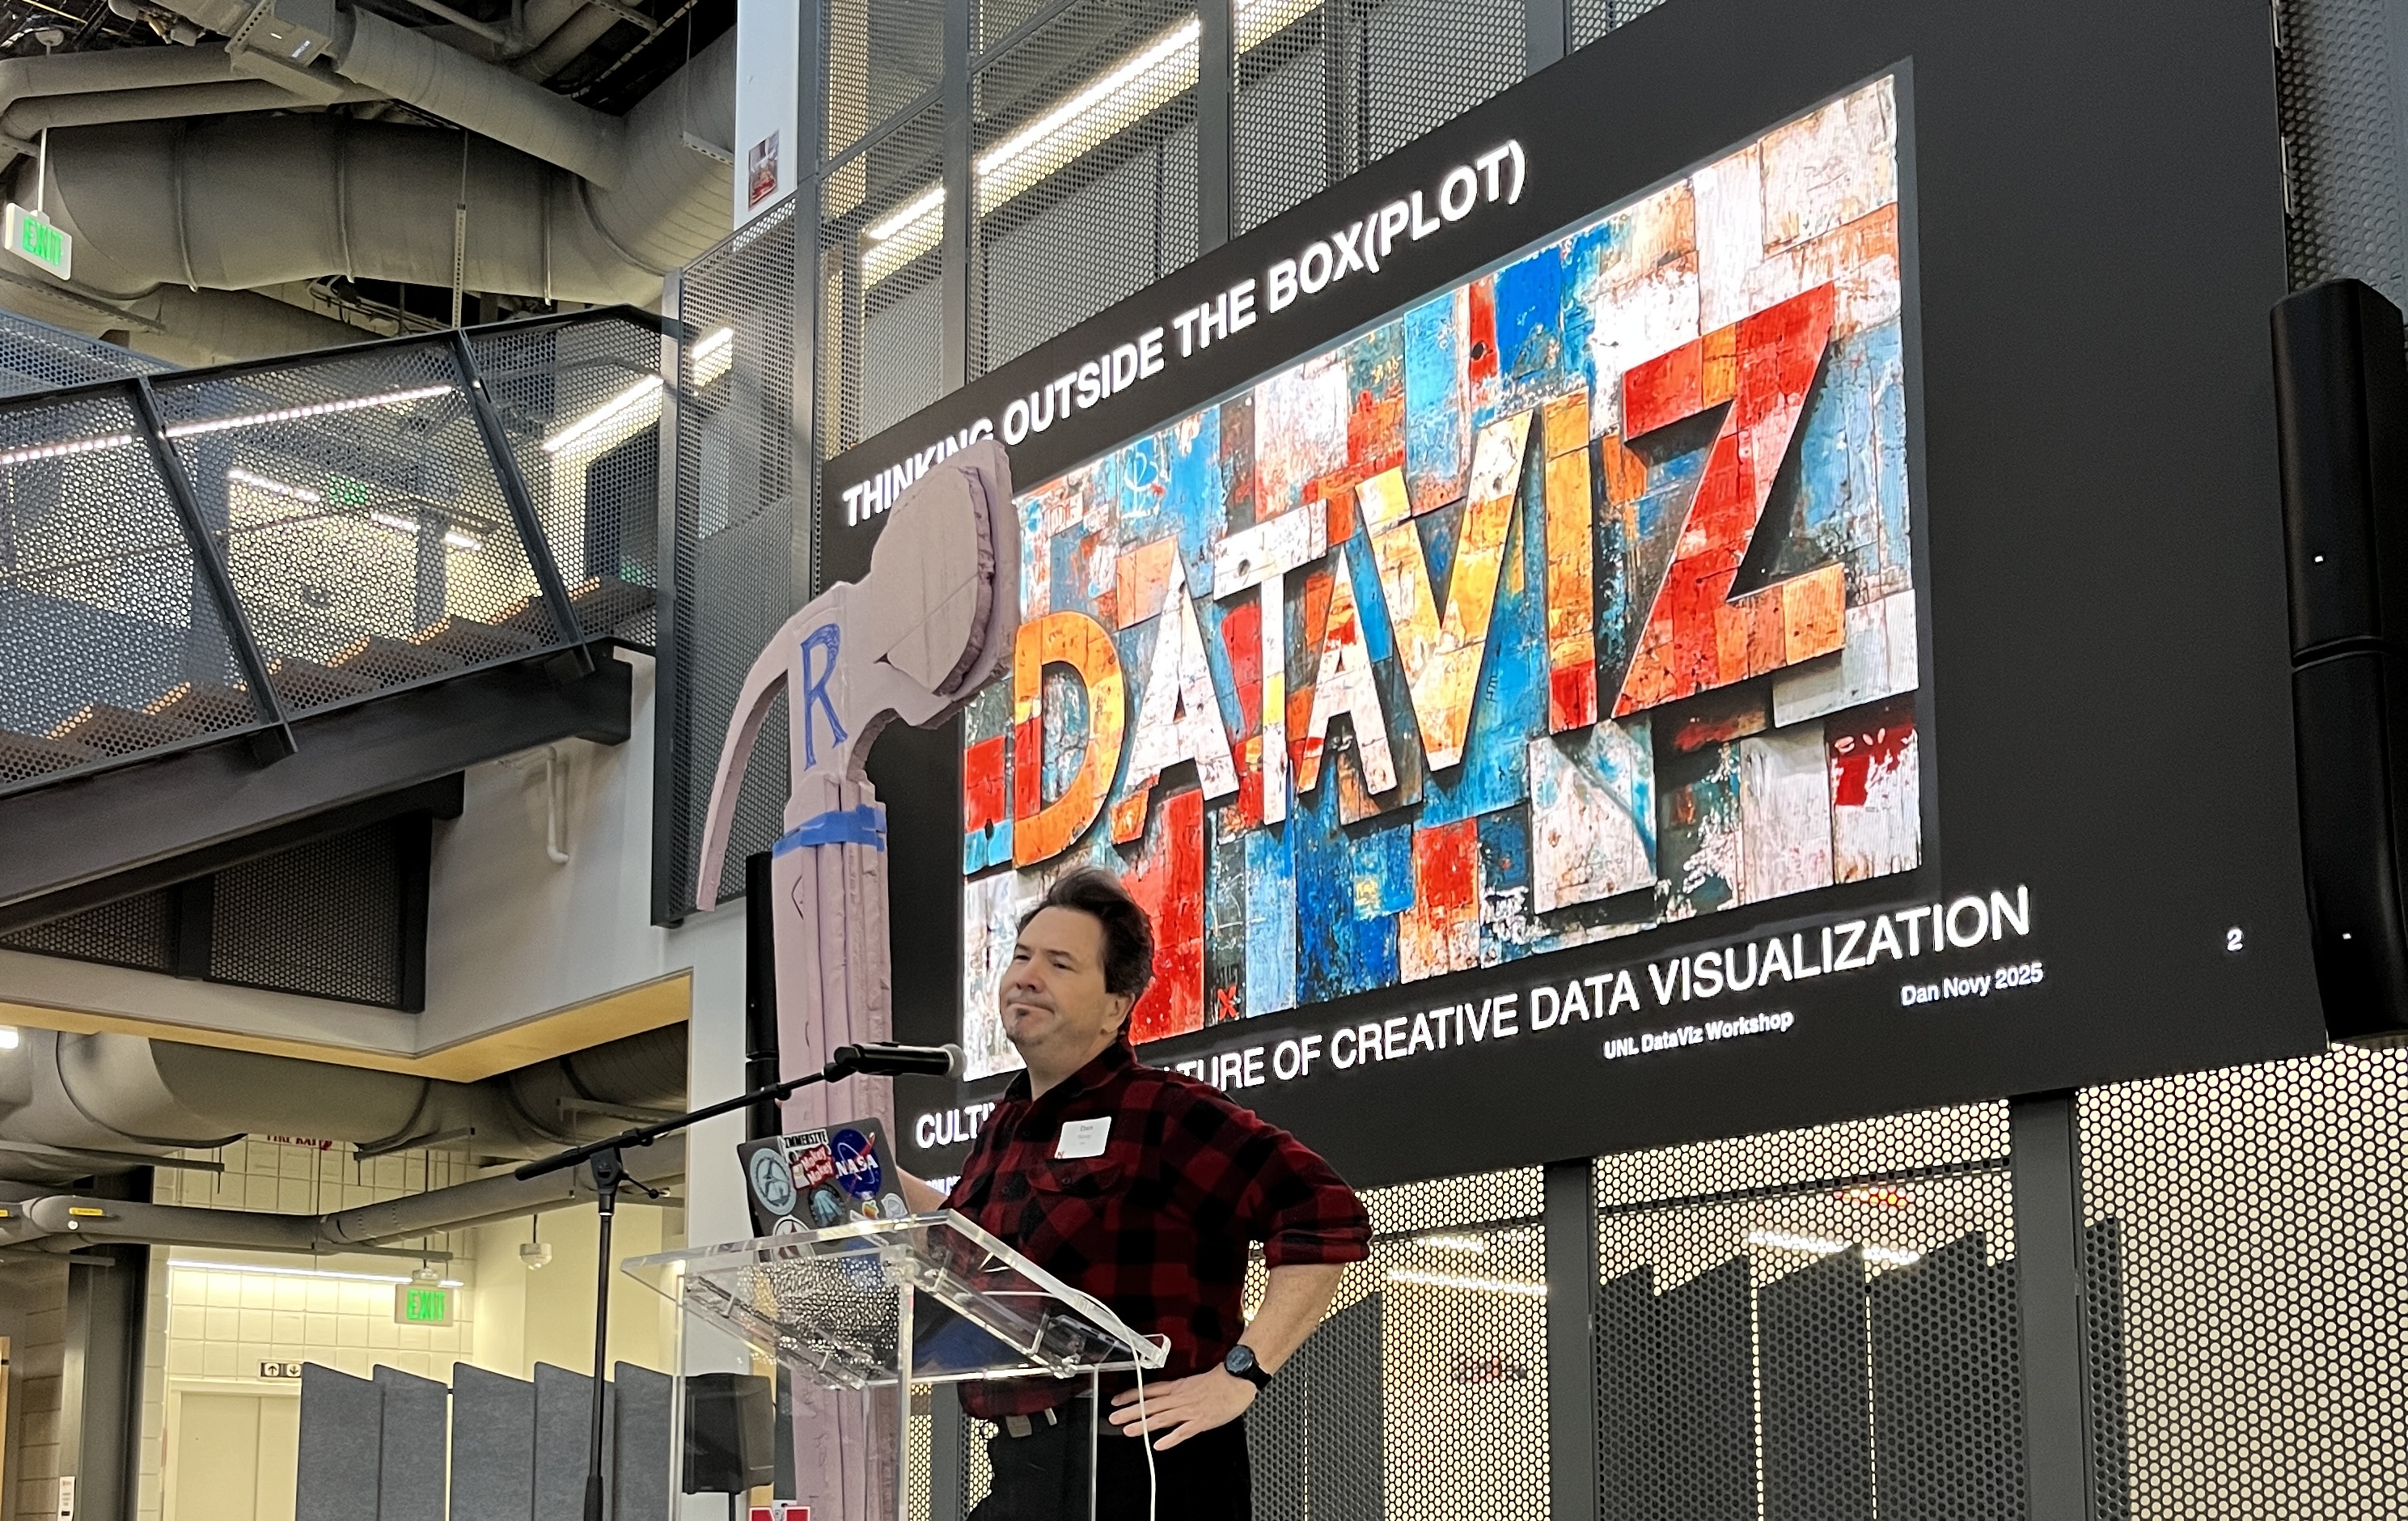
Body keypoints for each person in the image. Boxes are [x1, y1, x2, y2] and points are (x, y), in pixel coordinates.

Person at [897, 866, 1369, 1520]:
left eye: (1059, 964)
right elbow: (963, 1245)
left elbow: (1325, 1215)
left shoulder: (1163, 1111)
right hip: (1022, 1471)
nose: (1026, 976)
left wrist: (1241, 1374)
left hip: (1142, 1470)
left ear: (1116, 1007)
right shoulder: (1006, 1125)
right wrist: (867, 1178)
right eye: (1021, 956)